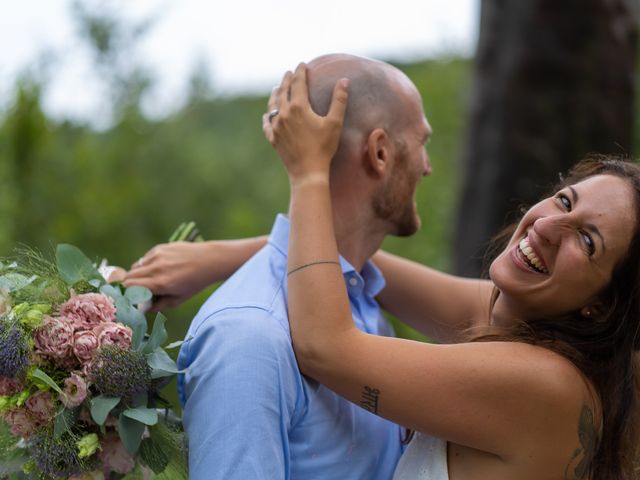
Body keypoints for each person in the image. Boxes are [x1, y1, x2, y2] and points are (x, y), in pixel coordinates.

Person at [262, 64, 640, 479]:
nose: (547, 227)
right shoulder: (526, 324)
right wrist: (215, 258)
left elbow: (324, 346)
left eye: (587, 242)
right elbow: (362, 257)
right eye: (565, 202)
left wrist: (309, 172)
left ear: (602, 307)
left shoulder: (543, 383)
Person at [125, 54, 433, 480]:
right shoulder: (250, 334)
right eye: (423, 143)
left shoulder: (362, 299)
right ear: (380, 152)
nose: (428, 166)